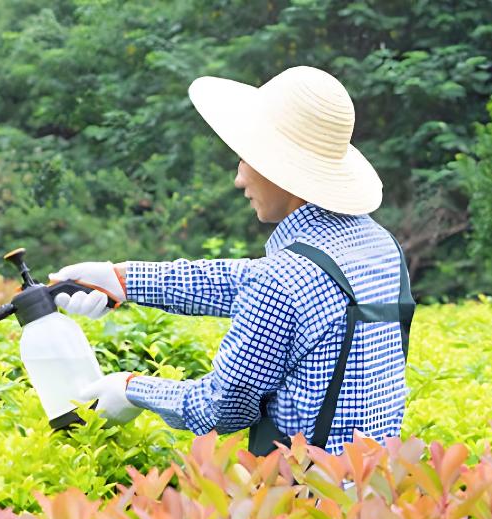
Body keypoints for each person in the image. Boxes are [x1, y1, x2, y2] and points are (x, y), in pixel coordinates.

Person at [49, 66, 414, 456]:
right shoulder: (379, 246)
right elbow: (251, 281)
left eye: (245, 158)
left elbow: (222, 407)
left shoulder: (284, 280)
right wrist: (122, 278)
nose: (239, 179)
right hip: (377, 493)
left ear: (282, 168)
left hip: (306, 504)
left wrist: (130, 389)